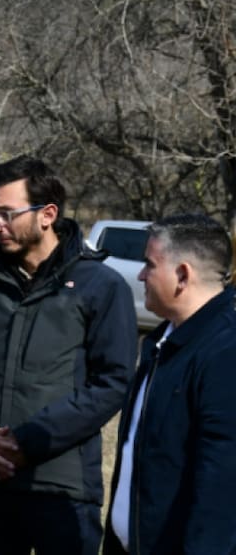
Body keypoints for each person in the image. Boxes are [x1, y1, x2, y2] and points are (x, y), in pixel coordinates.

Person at [0, 155, 137, 555]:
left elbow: (112, 383)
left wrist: (27, 442)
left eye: (7, 214)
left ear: (47, 214)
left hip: (62, 489)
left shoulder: (101, 286)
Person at [104, 214, 236, 554]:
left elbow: (221, 488)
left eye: (150, 264)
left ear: (182, 275)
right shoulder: (162, 341)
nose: (141, 275)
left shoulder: (225, 352)